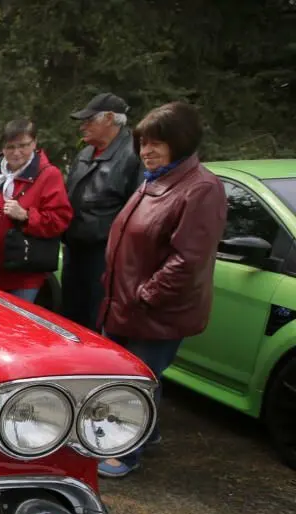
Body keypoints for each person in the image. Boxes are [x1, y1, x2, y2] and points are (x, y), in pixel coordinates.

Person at [96, 101, 228, 478]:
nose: (146, 151)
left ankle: (125, 452)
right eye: (143, 143)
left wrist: (146, 296)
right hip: (125, 302)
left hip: (155, 311)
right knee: (139, 376)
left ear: (180, 142)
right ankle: (147, 435)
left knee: (134, 381)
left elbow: (188, 260)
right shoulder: (156, 179)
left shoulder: (201, 189)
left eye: (157, 143)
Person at [61, 92, 144, 330]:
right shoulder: (85, 153)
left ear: (109, 118)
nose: (83, 127)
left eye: (89, 121)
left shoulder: (133, 155)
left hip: (105, 256)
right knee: (69, 318)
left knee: (94, 322)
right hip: (75, 249)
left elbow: (138, 213)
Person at [0, 119, 74, 302]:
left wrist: (26, 216)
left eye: (23, 146)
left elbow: (60, 220)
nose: (16, 152)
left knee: (13, 319)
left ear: (34, 143)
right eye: (10, 147)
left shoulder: (48, 175)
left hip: (23, 274)